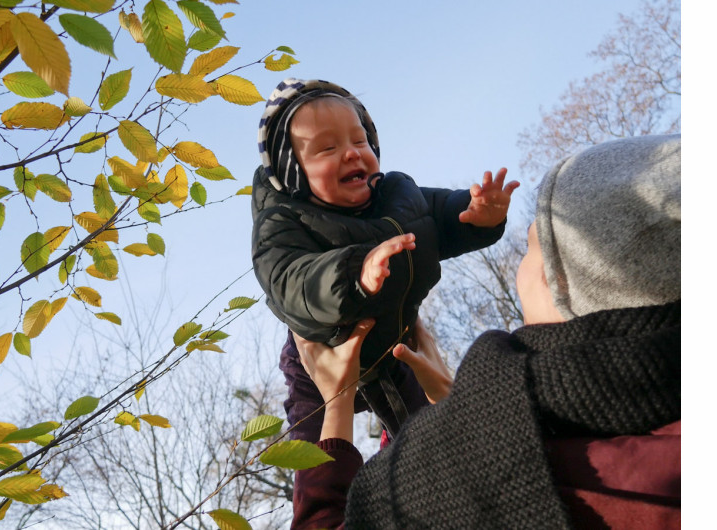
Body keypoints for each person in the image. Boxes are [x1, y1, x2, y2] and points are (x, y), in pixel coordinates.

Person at [291, 134, 681, 529]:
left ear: (556, 282)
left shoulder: (482, 477)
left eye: (531, 245)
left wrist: (334, 401)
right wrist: (449, 405)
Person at [252, 77, 519, 442]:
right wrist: (354, 275)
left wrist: (477, 214)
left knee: (431, 438)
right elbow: (289, 279)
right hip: (319, 360)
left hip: (397, 348)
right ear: (292, 171)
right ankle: (328, 492)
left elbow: (438, 216)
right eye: (327, 148)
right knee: (316, 449)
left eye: (359, 140)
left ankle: (415, 471)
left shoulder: (396, 196)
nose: (351, 153)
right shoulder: (285, 222)